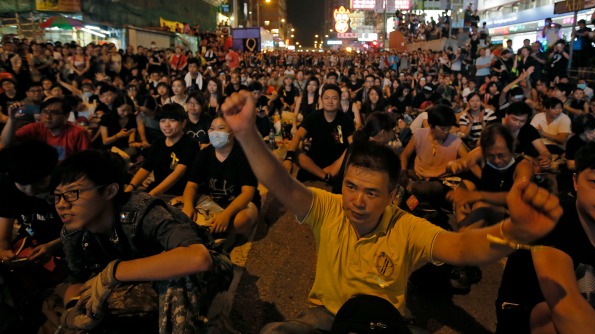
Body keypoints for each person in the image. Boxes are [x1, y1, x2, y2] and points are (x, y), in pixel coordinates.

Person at [220, 90, 561, 333]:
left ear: (392, 195)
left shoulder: (406, 226)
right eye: (351, 187)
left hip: (386, 321)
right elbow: (281, 184)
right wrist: (247, 134)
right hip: (325, 316)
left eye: (371, 193)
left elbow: (459, 247)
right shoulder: (328, 207)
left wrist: (512, 234)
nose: (357, 201)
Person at [50, 149, 232, 333]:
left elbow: (198, 258)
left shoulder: (140, 211)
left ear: (109, 191)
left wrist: (114, 272)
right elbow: (76, 280)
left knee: (175, 274)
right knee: (94, 306)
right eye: (57, 196)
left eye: (73, 193)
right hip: (142, 281)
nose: (61, 204)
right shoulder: (73, 233)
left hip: (207, 268)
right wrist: (73, 310)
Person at [496, 136, 595, 334]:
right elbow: (565, 307)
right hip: (529, 321)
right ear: (575, 182)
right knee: (552, 315)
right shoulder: (550, 222)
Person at [0, 141, 65, 333]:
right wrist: (4, 250)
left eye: (39, 184)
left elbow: (84, 227)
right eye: (24, 185)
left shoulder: (66, 184)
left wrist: (51, 246)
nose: (31, 190)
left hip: (68, 243)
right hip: (32, 243)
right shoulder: (9, 187)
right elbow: (3, 233)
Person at [181, 116, 260, 239]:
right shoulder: (204, 154)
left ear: (233, 132)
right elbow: (191, 185)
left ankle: (212, 231)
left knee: (240, 221)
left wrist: (226, 215)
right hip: (212, 202)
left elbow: (248, 193)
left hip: (241, 204)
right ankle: (215, 231)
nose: (215, 132)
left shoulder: (244, 155)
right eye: (212, 129)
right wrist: (188, 206)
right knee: (181, 208)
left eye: (221, 128)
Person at [125, 103, 199, 199]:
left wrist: (150, 196)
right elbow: (146, 168)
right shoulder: (158, 143)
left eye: (172, 120)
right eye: (162, 121)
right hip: (156, 190)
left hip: (178, 194)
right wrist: (131, 187)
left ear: (183, 123)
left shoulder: (190, 144)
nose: (167, 125)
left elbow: (177, 174)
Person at [284, 84, 355, 183]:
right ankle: (324, 175)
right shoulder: (314, 116)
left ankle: (322, 175)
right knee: (296, 153)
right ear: (321, 99)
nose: (330, 101)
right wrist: (288, 159)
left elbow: (352, 145)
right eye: (326, 98)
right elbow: (298, 135)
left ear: (339, 101)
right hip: (313, 163)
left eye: (334, 98)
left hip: (335, 164)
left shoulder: (345, 120)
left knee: (349, 152)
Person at [0, 97, 91, 161]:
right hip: (39, 177)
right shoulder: (36, 127)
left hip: (65, 179)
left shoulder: (78, 133)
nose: (47, 116)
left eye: (54, 112)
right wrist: (12, 119)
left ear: (66, 115)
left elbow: (85, 163)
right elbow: (6, 143)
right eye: (44, 112)